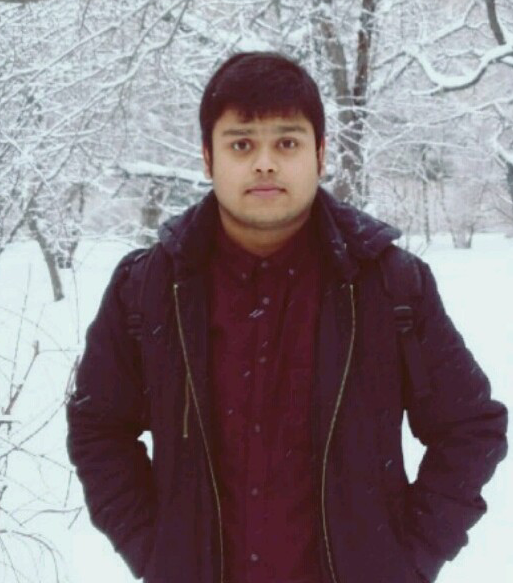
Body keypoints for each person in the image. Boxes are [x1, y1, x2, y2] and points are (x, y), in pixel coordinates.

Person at [66, 52, 508, 583]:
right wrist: (156, 554)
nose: (265, 164)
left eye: (287, 143)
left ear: (320, 154)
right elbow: (99, 429)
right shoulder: (148, 289)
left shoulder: (388, 284)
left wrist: (406, 561)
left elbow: (470, 428)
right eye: (241, 144)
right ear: (207, 158)